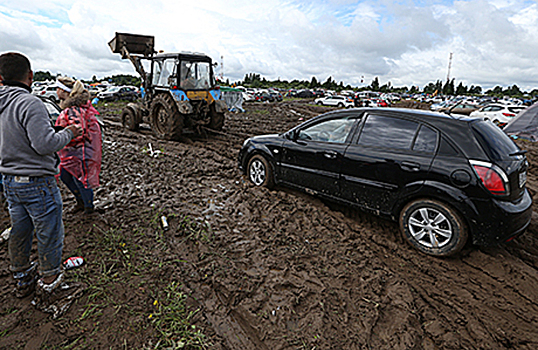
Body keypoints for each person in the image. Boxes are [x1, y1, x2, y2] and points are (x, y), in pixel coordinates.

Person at [0, 52, 83, 315]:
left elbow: (20, 137)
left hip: (10, 182)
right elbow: (43, 144)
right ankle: (50, 283)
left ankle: (22, 278)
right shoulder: (30, 103)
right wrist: (70, 132)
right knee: (49, 233)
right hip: (37, 182)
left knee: (20, 230)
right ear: (31, 76)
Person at [55, 76, 102, 215]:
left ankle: (88, 207)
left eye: (57, 88)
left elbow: (79, 131)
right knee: (67, 176)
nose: (56, 91)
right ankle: (81, 202)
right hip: (73, 151)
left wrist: (62, 138)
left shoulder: (73, 110)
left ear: (64, 91)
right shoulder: (74, 108)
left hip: (79, 152)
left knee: (80, 179)